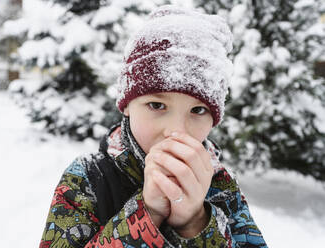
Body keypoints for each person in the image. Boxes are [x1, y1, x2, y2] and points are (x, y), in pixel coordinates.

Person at [39, 5, 268, 248]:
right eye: (157, 105)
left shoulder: (222, 186)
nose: (176, 131)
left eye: (198, 110)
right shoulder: (88, 180)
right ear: (126, 106)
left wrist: (194, 222)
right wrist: (147, 214)